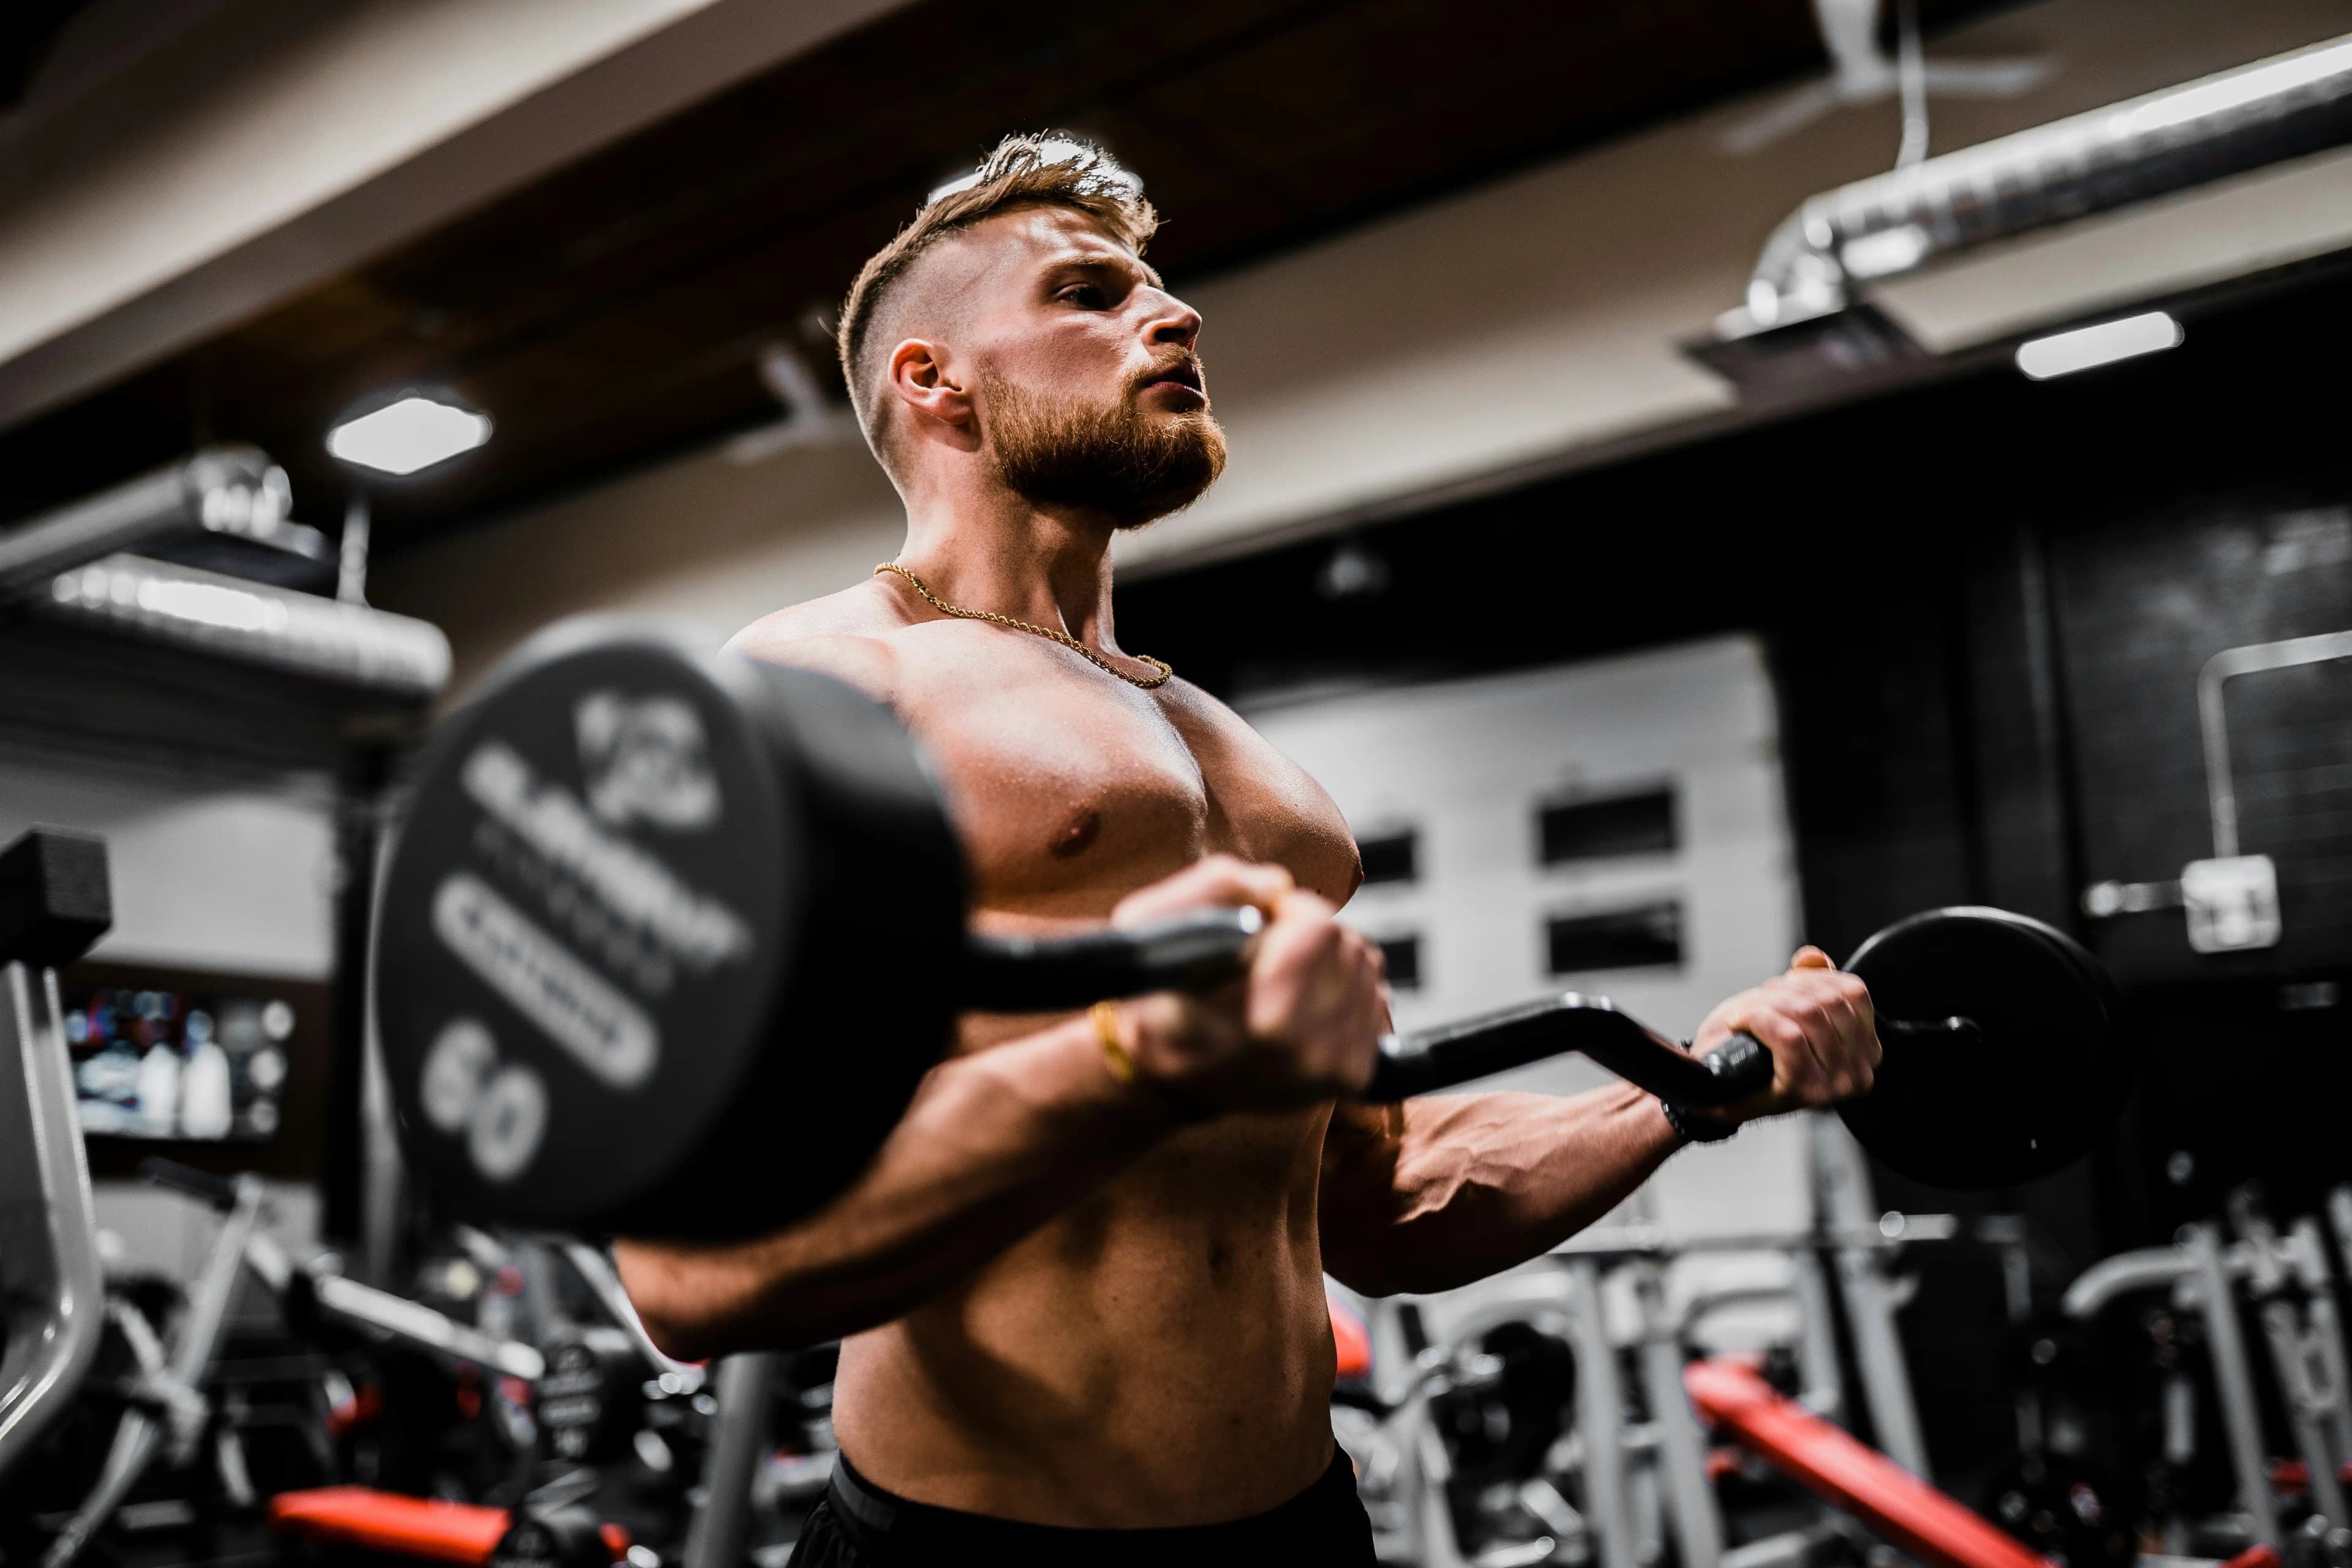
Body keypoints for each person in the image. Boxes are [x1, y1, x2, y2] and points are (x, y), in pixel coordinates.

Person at [612, 132, 1881, 1566]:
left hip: (1303, 1529)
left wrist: (1696, 1085)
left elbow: (1383, 1200)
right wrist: (1128, 1055)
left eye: (1155, 287)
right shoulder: (814, 689)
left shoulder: (1239, 760)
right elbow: (690, 1268)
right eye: (1089, 292)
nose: (1176, 314)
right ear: (934, 380)